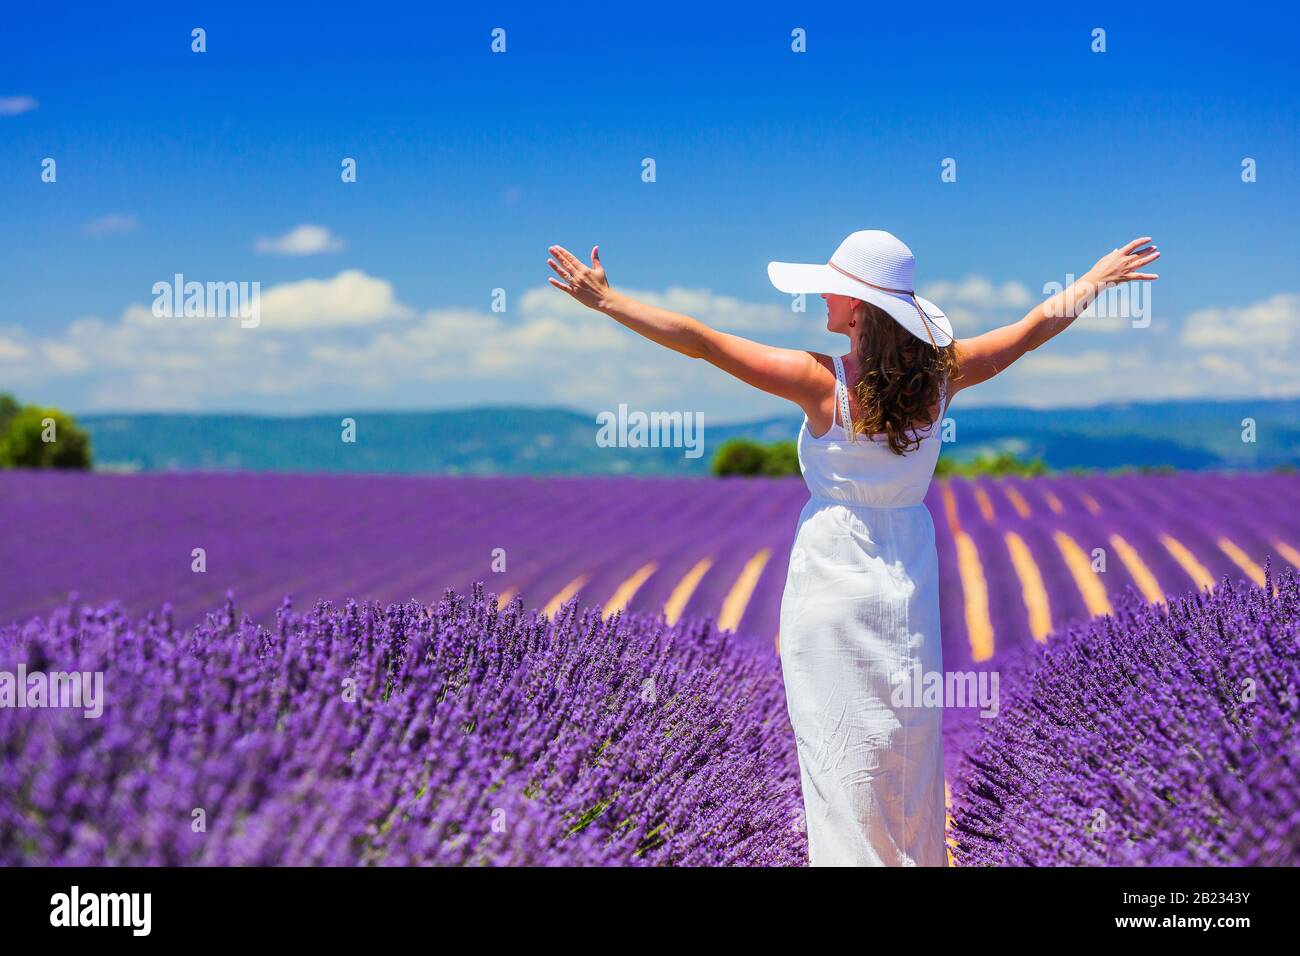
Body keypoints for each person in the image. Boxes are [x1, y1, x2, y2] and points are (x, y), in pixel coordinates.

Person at [547, 230, 1159, 865]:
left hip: (832, 579)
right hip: (908, 579)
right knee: (907, 744)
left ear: (860, 307)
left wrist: (608, 302)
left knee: (838, 754)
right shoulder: (942, 378)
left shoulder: (819, 380)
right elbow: (1031, 330)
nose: (821, 297)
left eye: (831, 288)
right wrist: (1094, 280)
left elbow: (702, 343)